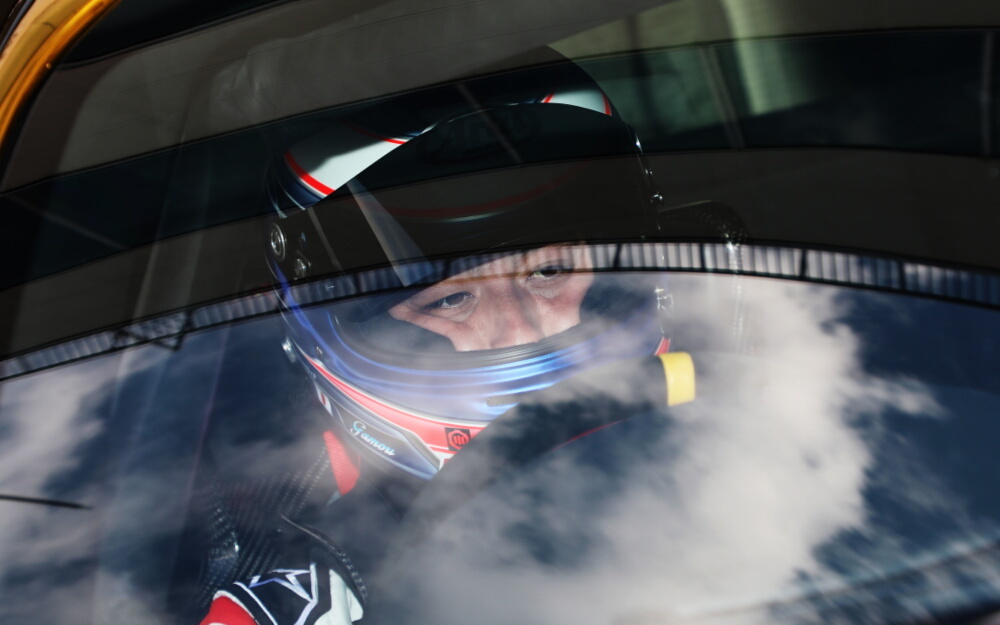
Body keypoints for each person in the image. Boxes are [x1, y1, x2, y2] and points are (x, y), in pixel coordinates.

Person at [198, 47, 672, 625]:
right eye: (451, 299)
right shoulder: (306, 606)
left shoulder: (759, 411)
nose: (520, 330)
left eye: (550, 271)